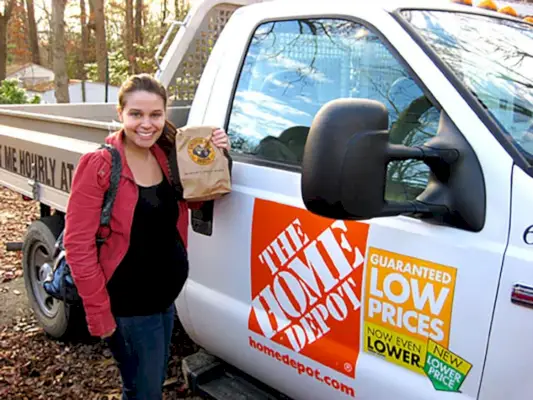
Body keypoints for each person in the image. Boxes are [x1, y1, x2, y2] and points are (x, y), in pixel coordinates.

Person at [63, 73, 230, 400]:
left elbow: (195, 199)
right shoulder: (99, 165)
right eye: (136, 114)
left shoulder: (165, 157)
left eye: (155, 114)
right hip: (129, 306)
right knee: (145, 392)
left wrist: (217, 155)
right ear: (120, 114)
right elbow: (77, 245)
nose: (146, 124)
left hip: (163, 299)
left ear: (165, 115)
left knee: (140, 388)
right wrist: (99, 315)